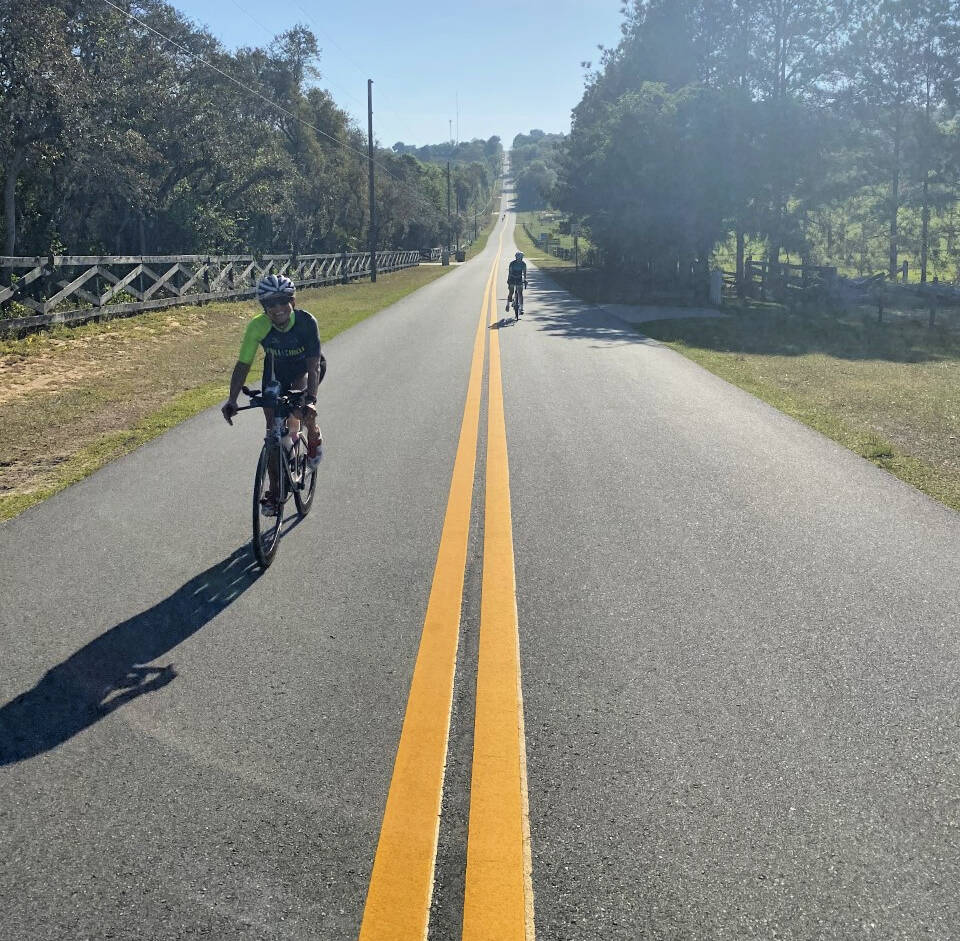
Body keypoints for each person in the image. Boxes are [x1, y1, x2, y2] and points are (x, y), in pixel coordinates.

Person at [221, 274, 326, 515]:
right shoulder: (258, 326)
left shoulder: (306, 322)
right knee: (272, 432)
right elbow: (243, 364)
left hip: (305, 369)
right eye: (270, 303)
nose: (277, 308)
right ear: (263, 307)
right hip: (276, 370)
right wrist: (232, 399)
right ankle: (275, 491)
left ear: (293, 301)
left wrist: (310, 399)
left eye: (282, 301)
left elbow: (314, 366)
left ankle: (313, 435)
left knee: (300, 411)